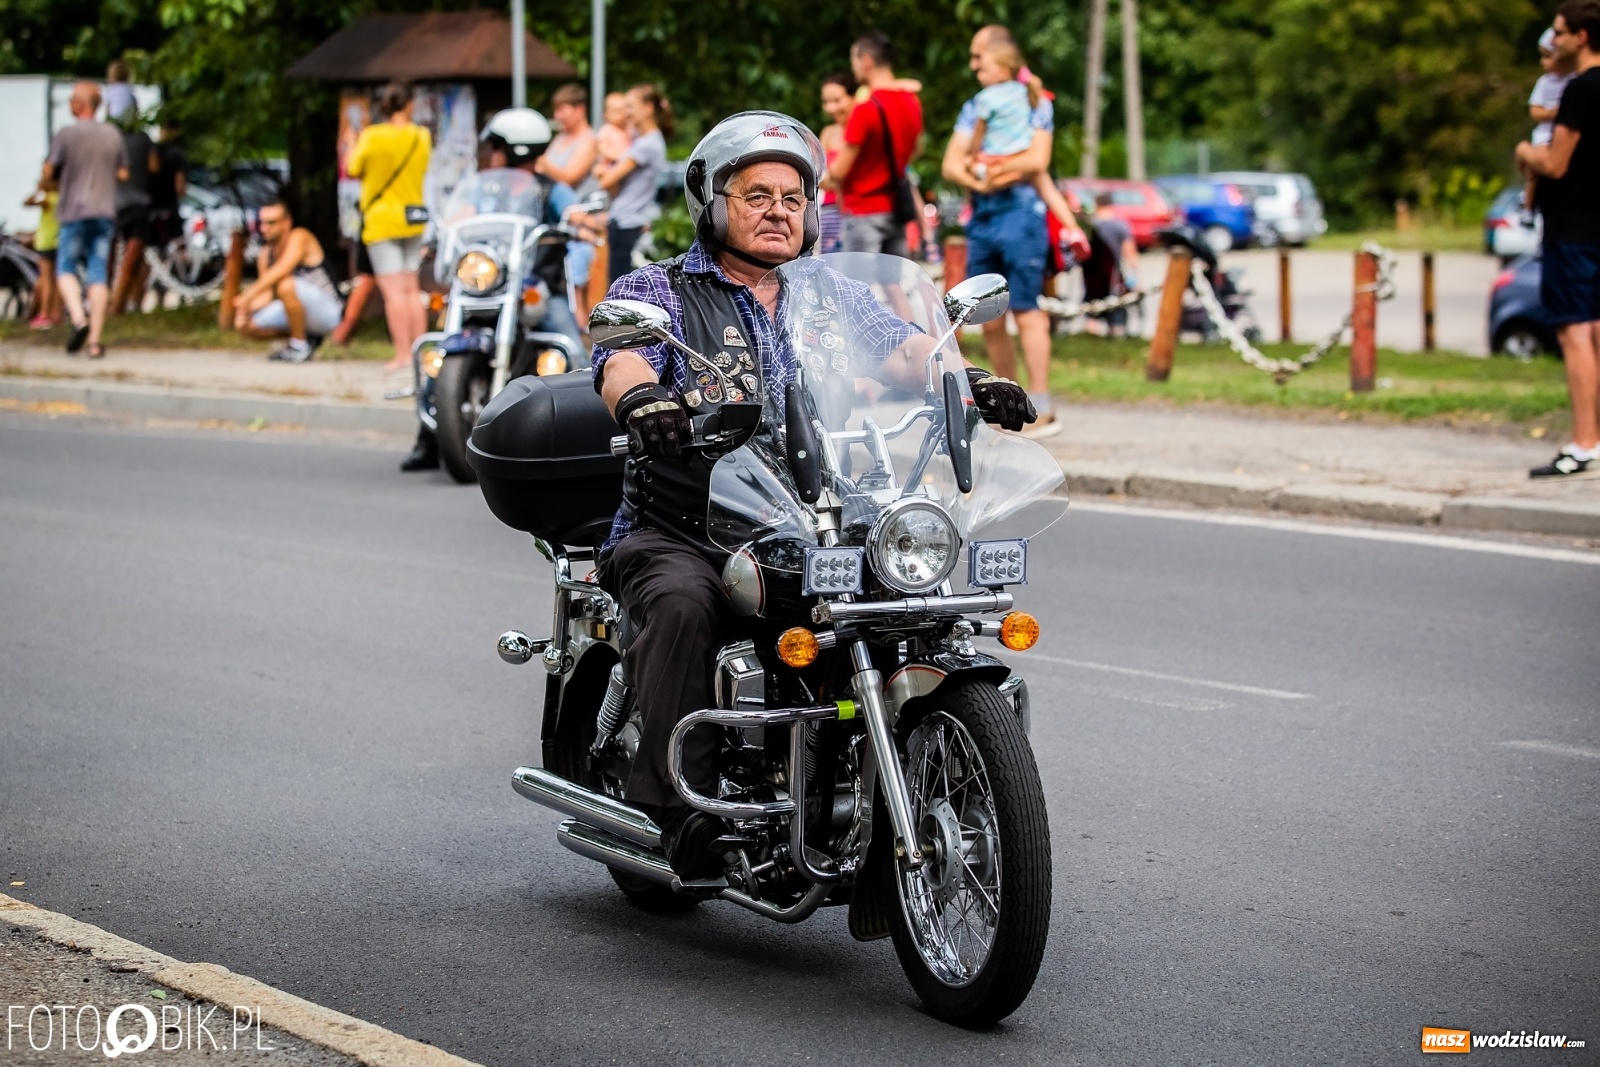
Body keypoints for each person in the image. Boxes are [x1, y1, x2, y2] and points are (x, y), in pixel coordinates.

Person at [591, 110, 1037, 877]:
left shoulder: (828, 294)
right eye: (756, 193)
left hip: (818, 517)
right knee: (681, 602)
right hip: (687, 524)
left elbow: (906, 352)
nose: (778, 210)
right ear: (712, 202)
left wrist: (969, 383)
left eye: (793, 197)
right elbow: (623, 358)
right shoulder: (657, 286)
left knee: (908, 600)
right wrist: (642, 400)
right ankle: (680, 805)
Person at [942, 25, 1081, 438]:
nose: (973, 66)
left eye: (978, 57)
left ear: (1000, 57)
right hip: (984, 217)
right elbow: (952, 163)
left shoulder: (1035, 99)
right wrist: (988, 174)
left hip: (1021, 215)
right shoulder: (977, 103)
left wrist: (989, 170)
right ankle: (1007, 402)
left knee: (1027, 309)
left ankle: (1041, 401)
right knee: (989, 313)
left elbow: (1038, 161)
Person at [1517, 1, 1600, 477]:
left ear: (1582, 37)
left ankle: (1584, 442)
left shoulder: (1580, 92)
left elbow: (1556, 163)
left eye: (1561, 33)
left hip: (1573, 227)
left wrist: (1525, 150)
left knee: (1575, 330)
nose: (1555, 42)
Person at [347, 81, 432, 370]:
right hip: (412, 219)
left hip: (382, 221)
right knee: (411, 289)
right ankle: (420, 352)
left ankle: (403, 354)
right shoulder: (422, 136)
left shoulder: (372, 136)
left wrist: (350, 143)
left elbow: (353, 169)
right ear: (409, 104)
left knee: (393, 293)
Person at [44, 82, 128, 359]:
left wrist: (58, 180)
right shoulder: (112, 134)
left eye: (71, 99)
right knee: (98, 274)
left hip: (74, 213)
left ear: (80, 105)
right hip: (104, 213)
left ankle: (79, 319)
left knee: (65, 268)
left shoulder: (66, 135)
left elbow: (48, 171)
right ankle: (94, 342)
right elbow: (123, 174)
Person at [827, 31, 923, 257]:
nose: (854, 69)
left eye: (854, 61)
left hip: (863, 211)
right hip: (895, 209)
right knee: (894, 285)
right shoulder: (912, 102)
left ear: (866, 60)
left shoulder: (866, 109)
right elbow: (916, 150)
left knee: (856, 288)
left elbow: (840, 170)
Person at [231, 199, 344, 362]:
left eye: (271, 223)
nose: (264, 228)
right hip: (296, 307)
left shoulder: (300, 236)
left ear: (286, 223)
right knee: (247, 326)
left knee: (285, 284)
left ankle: (299, 347)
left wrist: (248, 295)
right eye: (261, 223)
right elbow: (269, 294)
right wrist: (247, 309)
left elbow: (282, 270)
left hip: (328, 311)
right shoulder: (265, 253)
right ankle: (303, 339)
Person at [536, 83, 601, 318]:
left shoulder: (589, 140)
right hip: (556, 223)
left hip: (583, 224)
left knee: (575, 273)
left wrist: (542, 163)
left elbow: (569, 178)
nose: (557, 116)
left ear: (580, 110)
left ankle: (579, 331)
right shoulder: (560, 139)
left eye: (562, 109)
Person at [596, 83, 671, 284]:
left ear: (648, 108)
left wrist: (603, 170)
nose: (625, 113)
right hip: (625, 221)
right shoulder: (641, 139)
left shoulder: (647, 145)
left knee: (619, 291)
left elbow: (607, 181)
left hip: (628, 224)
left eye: (630, 107)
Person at [1524, 27, 1579, 218]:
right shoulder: (1544, 83)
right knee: (1535, 169)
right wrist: (1552, 113)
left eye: (1548, 57)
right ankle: (1528, 208)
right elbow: (1535, 110)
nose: (1543, 62)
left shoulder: (1576, 81)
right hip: (1545, 135)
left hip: (1566, 134)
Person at [109, 108, 157, 316]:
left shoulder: (110, 137)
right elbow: (154, 166)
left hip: (112, 205)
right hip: (139, 204)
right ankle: (128, 302)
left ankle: (111, 301)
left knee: (108, 256)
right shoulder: (144, 138)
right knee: (135, 256)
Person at [1088, 193, 1141, 337]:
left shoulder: (1090, 225)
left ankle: (1092, 341)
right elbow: (1129, 252)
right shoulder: (1120, 225)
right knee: (1116, 310)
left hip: (1091, 275)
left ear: (1096, 205)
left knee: (1091, 310)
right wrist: (1135, 276)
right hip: (1113, 275)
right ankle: (1116, 337)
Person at [816, 73, 855, 254]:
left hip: (858, 213)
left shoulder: (864, 130)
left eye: (837, 100)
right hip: (830, 214)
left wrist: (836, 176)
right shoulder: (828, 133)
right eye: (826, 102)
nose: (831, 108)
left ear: (853, 97)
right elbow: (820, 178)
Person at [24, 177, 60, 329]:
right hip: (58, 242)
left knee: (45, 280)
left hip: (46, 243)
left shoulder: (48, 199)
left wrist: (39, 190)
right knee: (59, 280)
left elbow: (27, 203)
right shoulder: (61, 198)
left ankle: (44, 313)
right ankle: (57, 314)